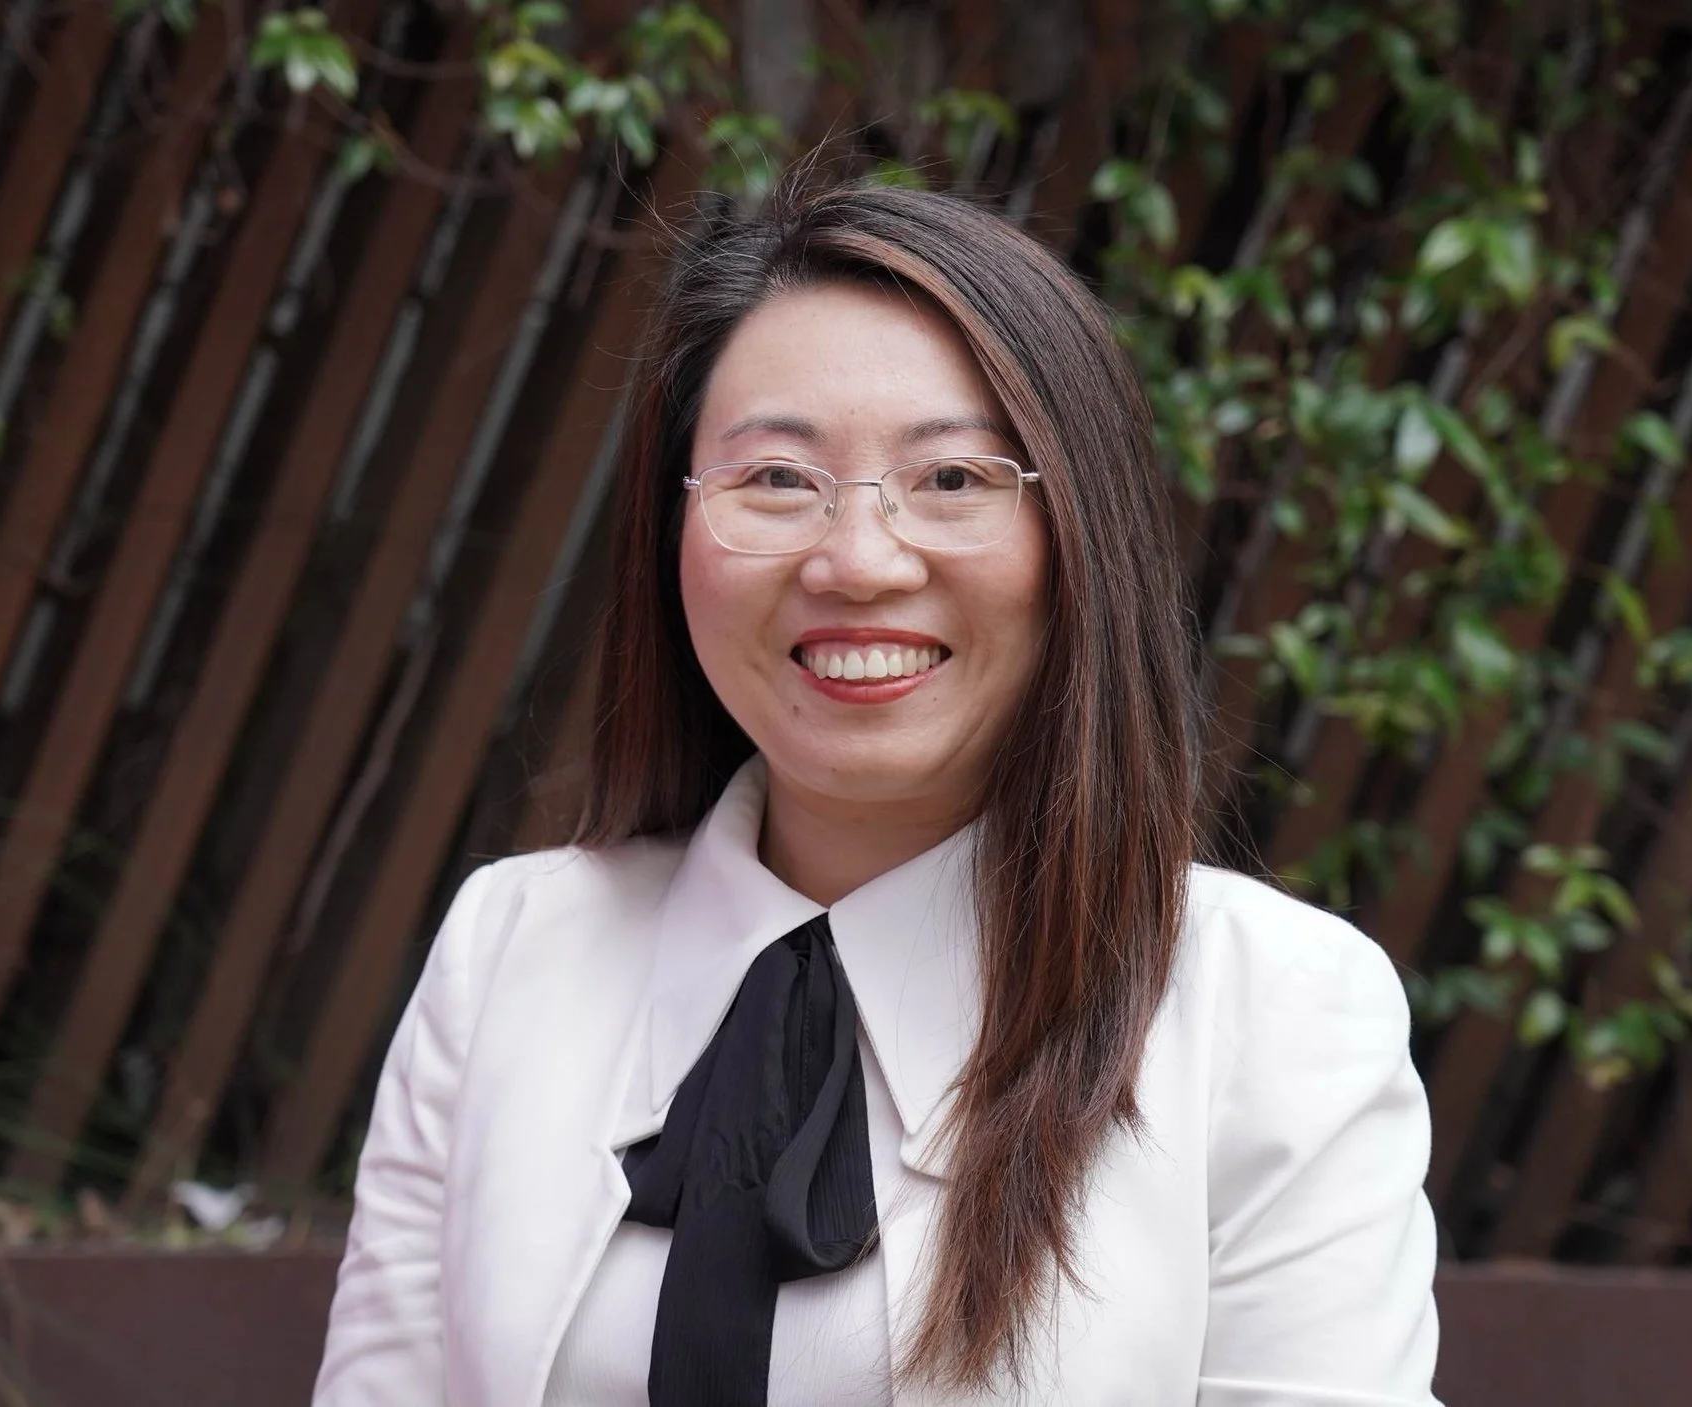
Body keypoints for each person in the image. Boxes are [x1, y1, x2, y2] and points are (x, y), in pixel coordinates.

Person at [311, 169, 1441, 1406]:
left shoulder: (1269, 1010)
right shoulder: (514, 950)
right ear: (668, 532)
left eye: (952, 480)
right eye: (775, 480)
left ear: (1083, 537)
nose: (856, 562)